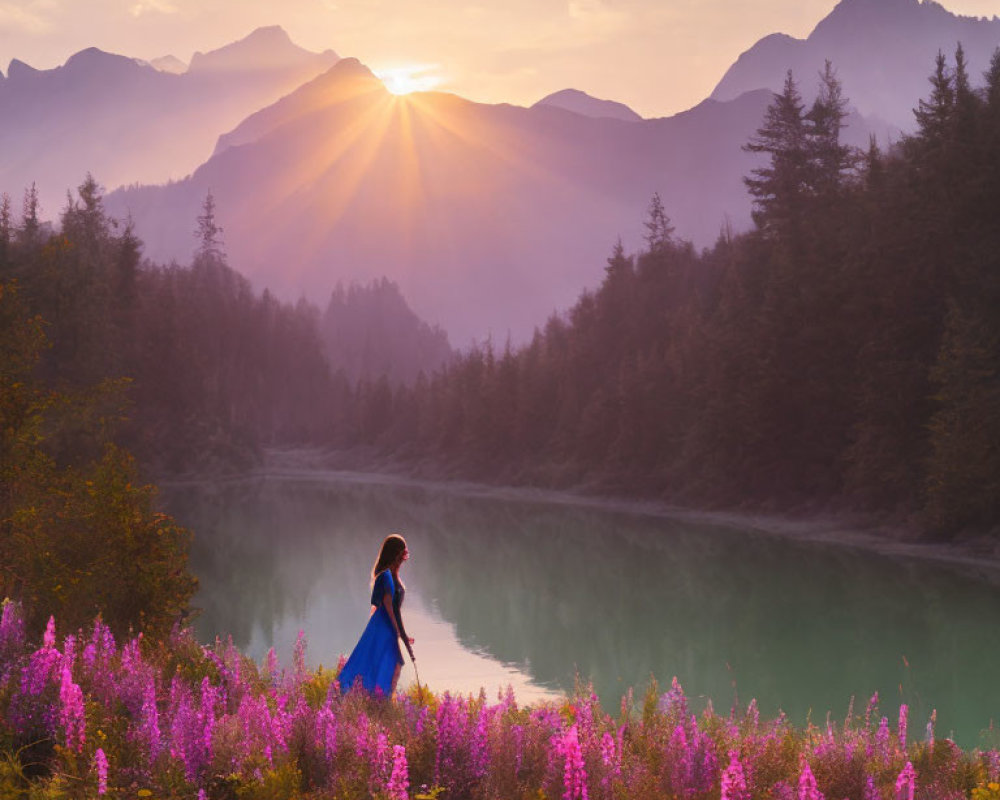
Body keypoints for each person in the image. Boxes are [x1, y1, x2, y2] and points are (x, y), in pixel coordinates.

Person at [337, 533, 415, 697]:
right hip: (383, 626)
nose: (403, 558)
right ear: (395, 554)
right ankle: (381, 700)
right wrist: (399, 633)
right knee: (391, 663)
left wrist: (402, 635)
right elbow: (389, 608)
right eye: (401, 554)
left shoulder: (393, 576)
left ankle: (379, 699)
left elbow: (396, 610)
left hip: (388, 626)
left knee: (388, 663)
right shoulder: (386, 577)